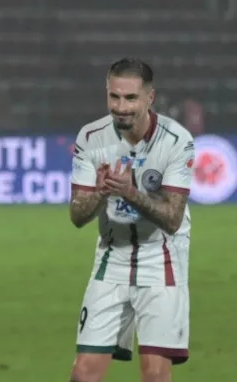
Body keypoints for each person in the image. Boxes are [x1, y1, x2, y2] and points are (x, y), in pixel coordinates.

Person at [69, 58, 195, 382]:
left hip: (162, 263)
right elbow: (78, 216)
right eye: (114, 97)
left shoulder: (176, 141)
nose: (120, 107)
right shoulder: (90, 137)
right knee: (83, 373)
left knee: (154, 374)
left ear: (149, 98)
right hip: (111, 260)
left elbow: (172, 219)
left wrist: (130, 193)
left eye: (130, 98)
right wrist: (100, 193)